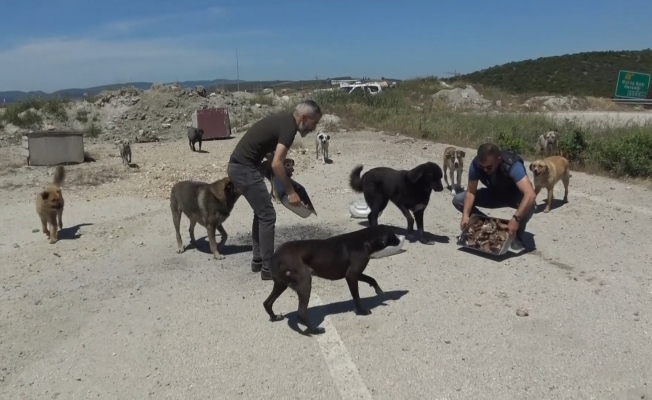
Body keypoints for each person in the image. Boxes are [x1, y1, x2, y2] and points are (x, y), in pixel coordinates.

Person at [227, 100, 323, 280]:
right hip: (243, 169)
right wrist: (290, 191)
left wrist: (282, 174)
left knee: (261, 212)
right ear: (303, 118)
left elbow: (272, 156)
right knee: (268, 215)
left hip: (241, 167)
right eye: (314, 123)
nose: (313, 128)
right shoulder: (289, 128)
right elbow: (277, 163)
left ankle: (258, 260)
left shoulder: (284, 121)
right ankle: (268, 268)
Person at [452, 143, 536, 251]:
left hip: (514, 196)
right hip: (494, 194)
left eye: (489, 167)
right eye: (483, 167)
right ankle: (487, 226)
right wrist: (465, 215)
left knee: (530, 205)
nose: (485, 170)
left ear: (499, 160)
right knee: (458, 200)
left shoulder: (511, 164)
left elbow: (530, 194)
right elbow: (470, 192)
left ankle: (516, 234)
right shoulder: (476, 164)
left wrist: (516, 219)